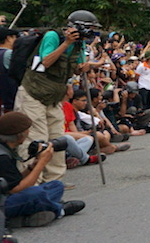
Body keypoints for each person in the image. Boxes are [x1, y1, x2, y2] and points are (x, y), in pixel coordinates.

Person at [14, 11, 104, 183]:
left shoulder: (78, 45)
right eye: (90, 28)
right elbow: (46, 62)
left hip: (54, 97)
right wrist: (66, 43)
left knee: (58, 140)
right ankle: (33, 184)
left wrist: (82, 68)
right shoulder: (53, 37)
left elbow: (75, 68)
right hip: (34, 94)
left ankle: (53, 183)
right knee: (36, 138)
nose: (91, 32)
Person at [0, 112, 84, 228]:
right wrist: (42, 163)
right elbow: (16, 189)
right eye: (27, 130)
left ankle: (37, 209)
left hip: (3, 195)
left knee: (56, 185)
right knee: (36, 194)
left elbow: (13, 181)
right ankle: (59, 210)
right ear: (20, 135)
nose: (29, 134)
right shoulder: (0, 157)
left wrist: (32, 166)